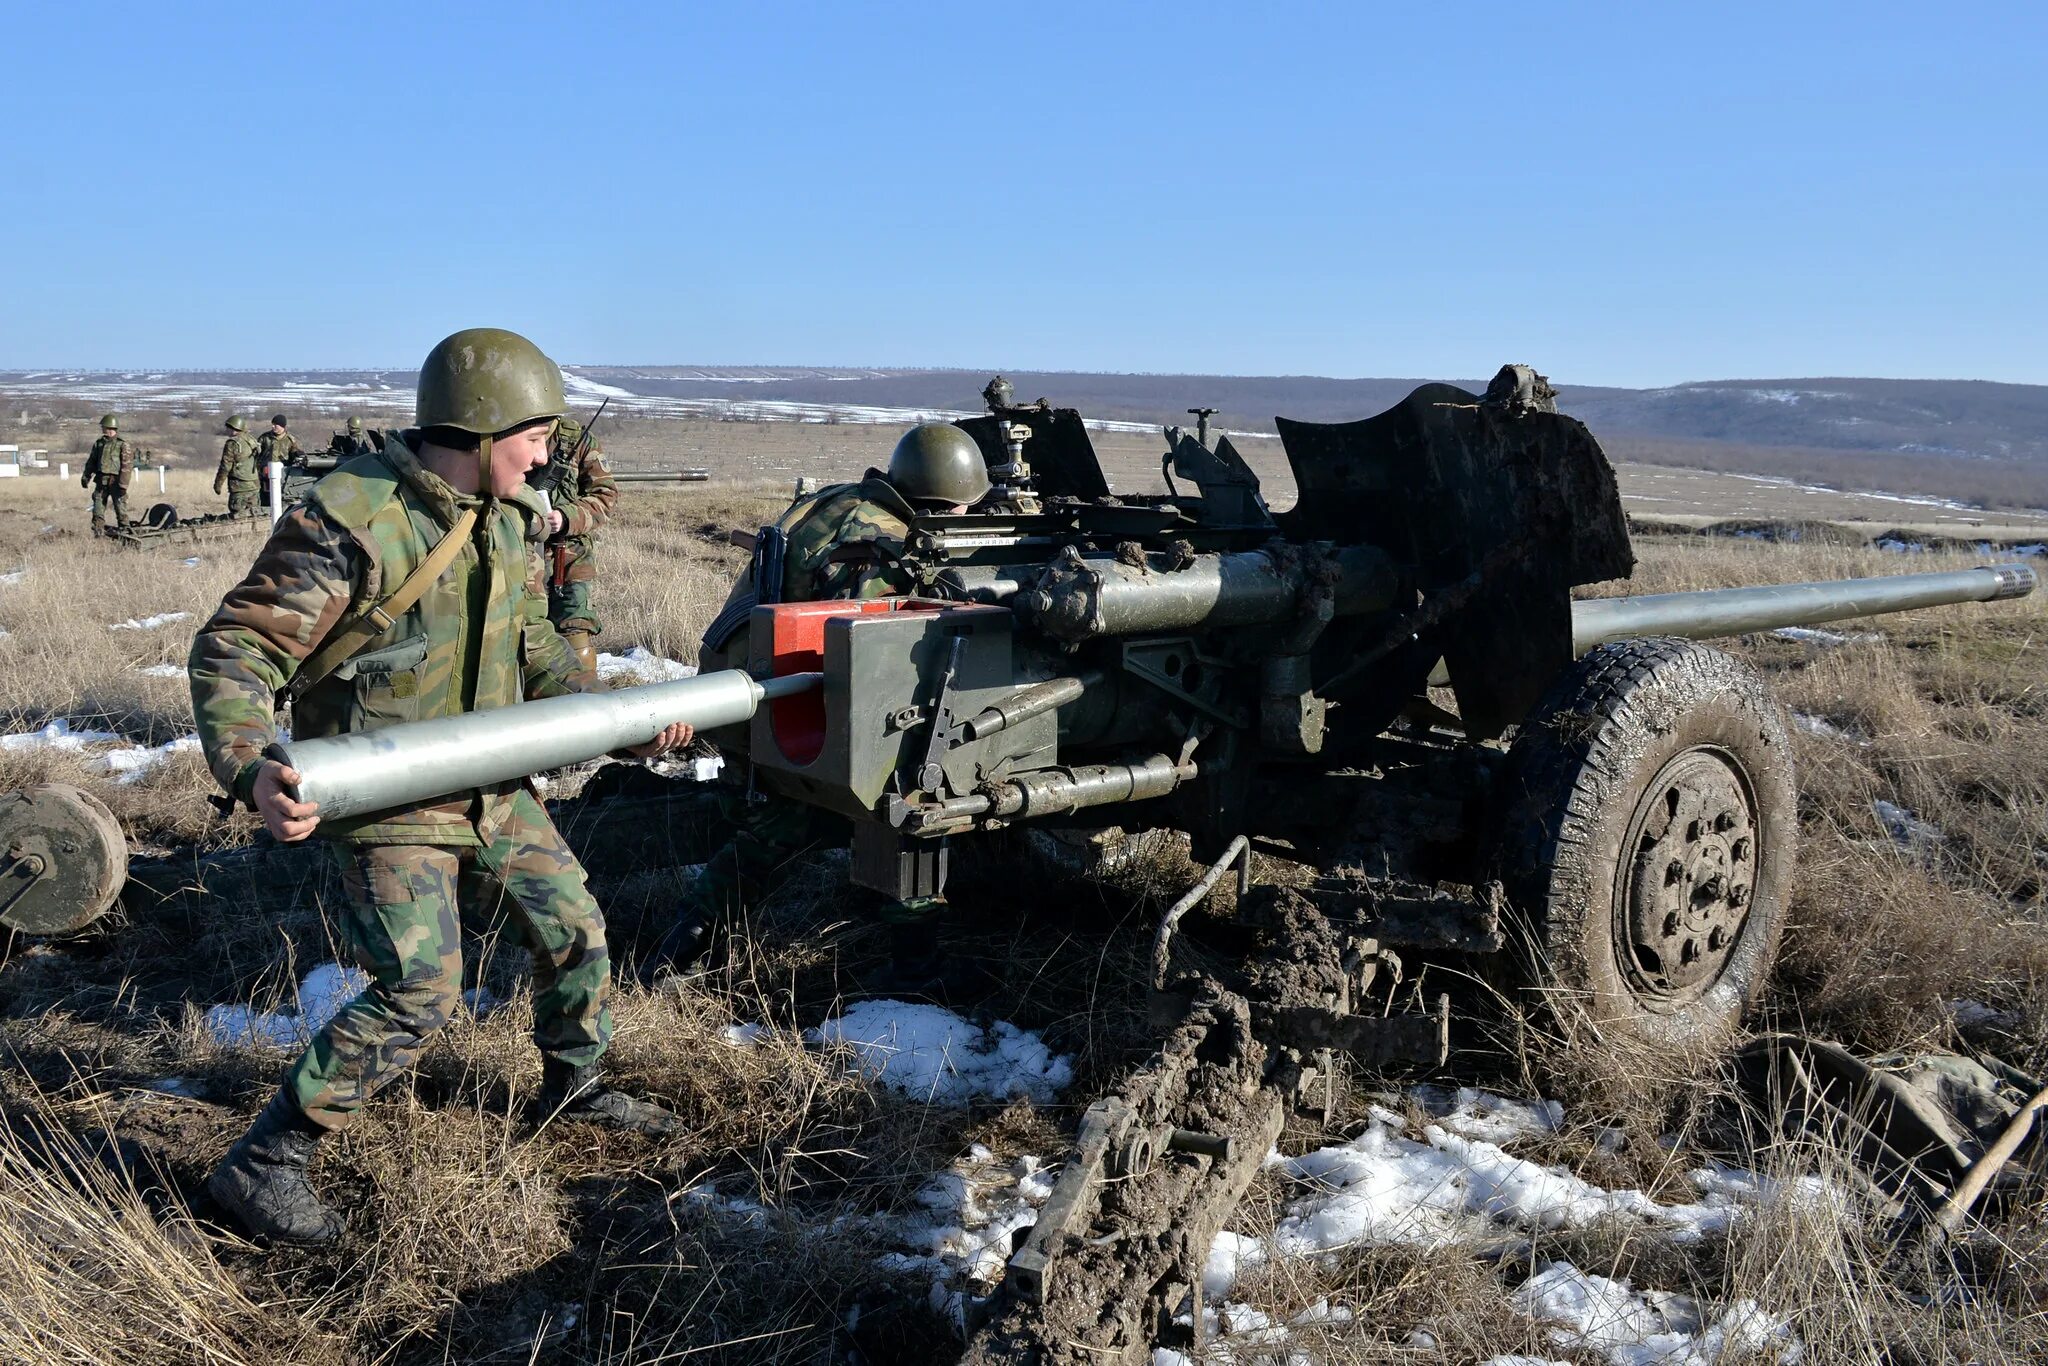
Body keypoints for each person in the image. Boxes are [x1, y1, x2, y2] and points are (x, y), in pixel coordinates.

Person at [189, 328, 693, 1245]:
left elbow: (531, 648)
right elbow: (240, 648)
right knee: (422, 988)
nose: (547, 455)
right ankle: (263, 1164)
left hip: (492, 781)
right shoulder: (353, 518)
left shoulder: (504, 515)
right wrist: (253, 762)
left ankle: (575, 1087)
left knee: (572, 926)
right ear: (482, 427)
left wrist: (617, 722)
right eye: (535, 435)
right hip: (387, 793)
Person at [665, 422, 990, 994]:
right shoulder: (883, 541)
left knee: (773, 828)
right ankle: (916, 969)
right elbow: (877, 663)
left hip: (740, 685)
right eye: (965, 508)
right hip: (781, 699)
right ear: (945, 500)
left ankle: (681, 952)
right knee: (907, 795)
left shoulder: (842, 501)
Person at [538, 414, 619, 676]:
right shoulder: (507, 434)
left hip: (568, 558)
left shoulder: (579, 441)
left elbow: (605, 497)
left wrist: (565, 517)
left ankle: (584, 702)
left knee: (575, 633)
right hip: (517, 555)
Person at [81, 413, 133, 535]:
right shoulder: (99, 444)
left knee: (121, 510)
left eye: (104, 427)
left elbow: (127, 466)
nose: (102, 429)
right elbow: (91, 462)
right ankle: (98, 533)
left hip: (116, 482)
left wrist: (123, 485)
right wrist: (86, 476)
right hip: (101, 482)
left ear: (110, 428)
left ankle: (125, 533)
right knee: (98, 509)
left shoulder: (123, 445)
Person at [213, 415, 261, 517]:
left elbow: (225, 466)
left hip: (239, 486)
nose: (227, 430)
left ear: (234, 428)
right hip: (254, 485)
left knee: (238, 516)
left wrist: (218, 484)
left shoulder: (232, 443)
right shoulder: (251, 440)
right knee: (254, 515)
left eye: (228, 428)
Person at [254, 414, 299, 510]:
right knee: (265, 496)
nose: (273, 426)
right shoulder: (265, 437)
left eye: (276, 425)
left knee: (280, 496)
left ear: (282, 426)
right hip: (264, 473)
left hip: (282, 474)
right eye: (272, 424)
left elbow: (295, 456)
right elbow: (256, 453)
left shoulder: (290, 440)